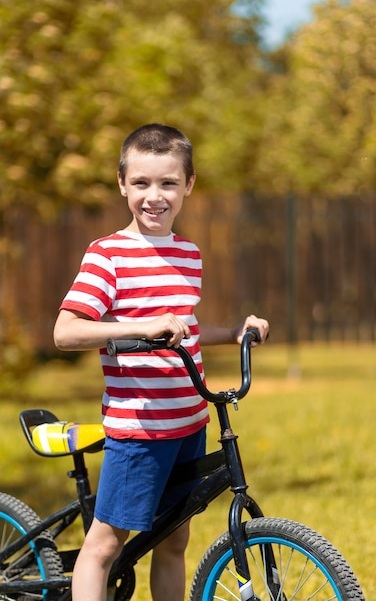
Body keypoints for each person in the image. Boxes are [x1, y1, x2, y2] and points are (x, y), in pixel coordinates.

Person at [53, 123, 269, 601]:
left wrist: (234, 332)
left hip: (189, 422)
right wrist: (137, 326)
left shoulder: (188, 254)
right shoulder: (107, 255)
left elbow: (184, 329)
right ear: (122, 184)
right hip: (139, 430)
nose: (155, 196)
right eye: (142, 183)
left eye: (168, 183)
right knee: (105, 546)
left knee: (174, 542)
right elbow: (66, 332)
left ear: (188, 184)